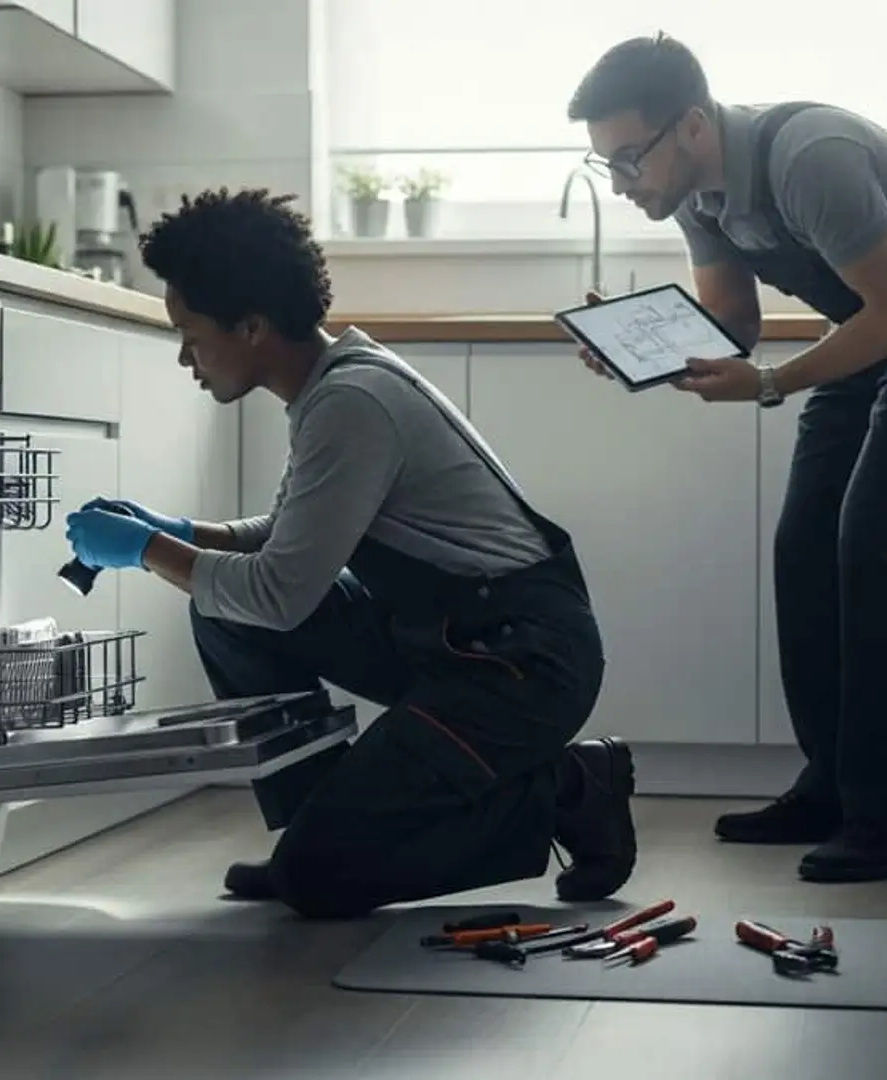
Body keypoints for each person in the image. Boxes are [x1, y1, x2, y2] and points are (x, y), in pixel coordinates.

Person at [61, 187, 637, 919]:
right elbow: (288, 538)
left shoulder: (351, 403)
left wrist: (148, 550)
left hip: (518, 664)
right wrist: (179, 530)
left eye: (191, 334)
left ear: (251, 327)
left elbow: (280, 592)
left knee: (319, 880)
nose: (185, 357)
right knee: (225, 613)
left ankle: (570, 787)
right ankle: (318, 824)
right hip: (454, 637)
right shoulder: (331, 385)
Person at [565, 34, 887, 883]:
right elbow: (732, 326)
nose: (626, 186)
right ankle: (833, 788)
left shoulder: (810, 156)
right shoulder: (699, 200)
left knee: (877, 550)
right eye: (610, 168)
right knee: (805, 548)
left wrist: (772, 384)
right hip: (873, 328)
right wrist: (637, 345)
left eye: (631, 160)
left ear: (693, 125)